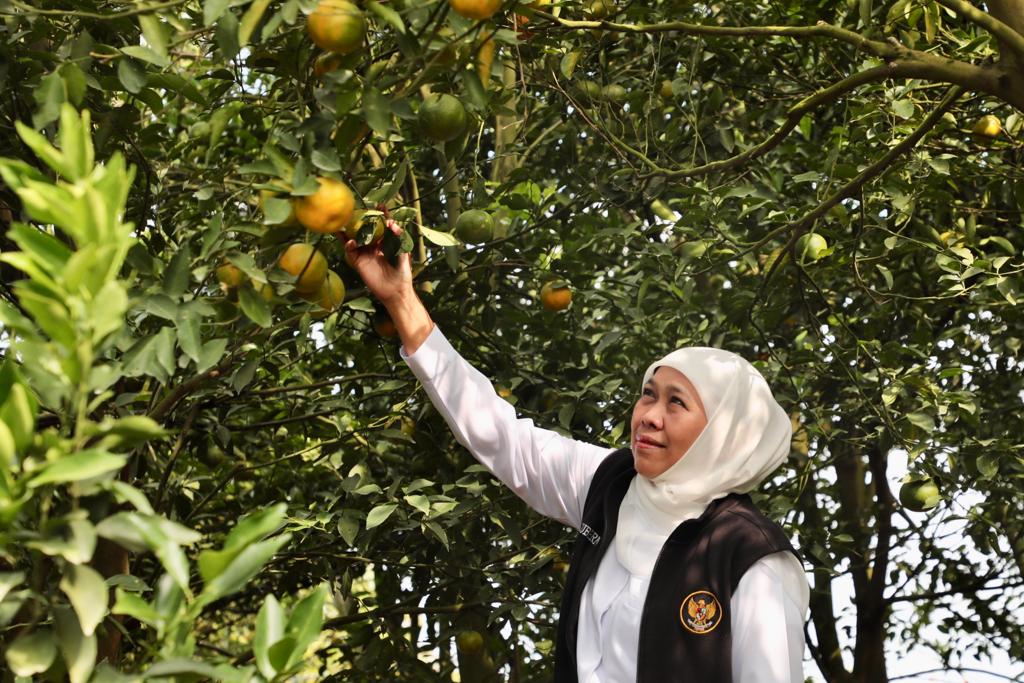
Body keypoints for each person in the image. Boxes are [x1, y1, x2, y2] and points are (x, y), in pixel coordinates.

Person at [346, 228, 810, 682]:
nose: (649, 415)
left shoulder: (751, 558)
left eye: (677, 402)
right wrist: (401, 301)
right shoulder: (610, 486)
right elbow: (501, 437)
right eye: (649, 395)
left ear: (722, 434)